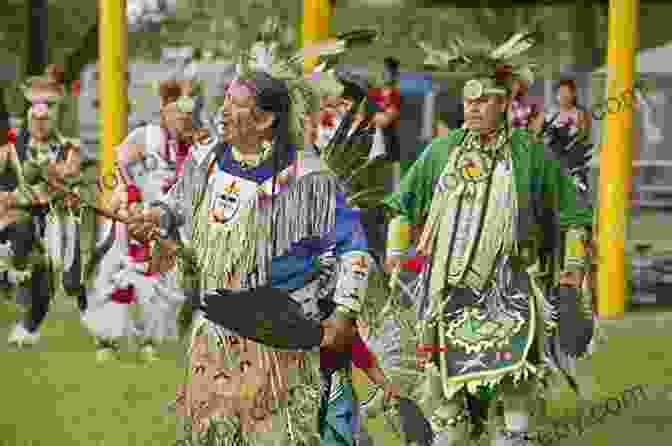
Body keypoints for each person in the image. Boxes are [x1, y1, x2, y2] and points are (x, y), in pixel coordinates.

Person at [384, 31, 595, 446]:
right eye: (468, 101)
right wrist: (395, 257)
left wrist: (571, 278)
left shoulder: (529, 153)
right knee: (444, 389)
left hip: (512, 286)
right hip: (449, 289)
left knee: (514, 382)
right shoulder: (443, 151)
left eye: (483, 101)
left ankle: (514, 437)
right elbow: (401, 205)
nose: (474, 109)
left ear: (503, 103)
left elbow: (573, 215)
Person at [81, 79, 196, 362]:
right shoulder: (147, 136)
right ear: (165, 112)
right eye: (177, 113)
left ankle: (149, 341)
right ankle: (106, 339)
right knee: (118, 272)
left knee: (160, 279)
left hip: (164, 221)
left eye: (186, 114)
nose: (182, 119)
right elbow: (120, 162)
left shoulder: (193, 148)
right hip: (129, 216)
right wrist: (130, 196)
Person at [0, 75, 93, 347]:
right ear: (29, 120)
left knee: (67, 276)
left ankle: (87, 307)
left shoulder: (68, 148)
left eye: (45, 118)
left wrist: (53, 173)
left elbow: (72, 171)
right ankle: (28, 324)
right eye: (35, 119)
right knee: (27, 261)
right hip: (22, 215)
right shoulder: (13, 148)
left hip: (58, 214)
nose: (40, 124)